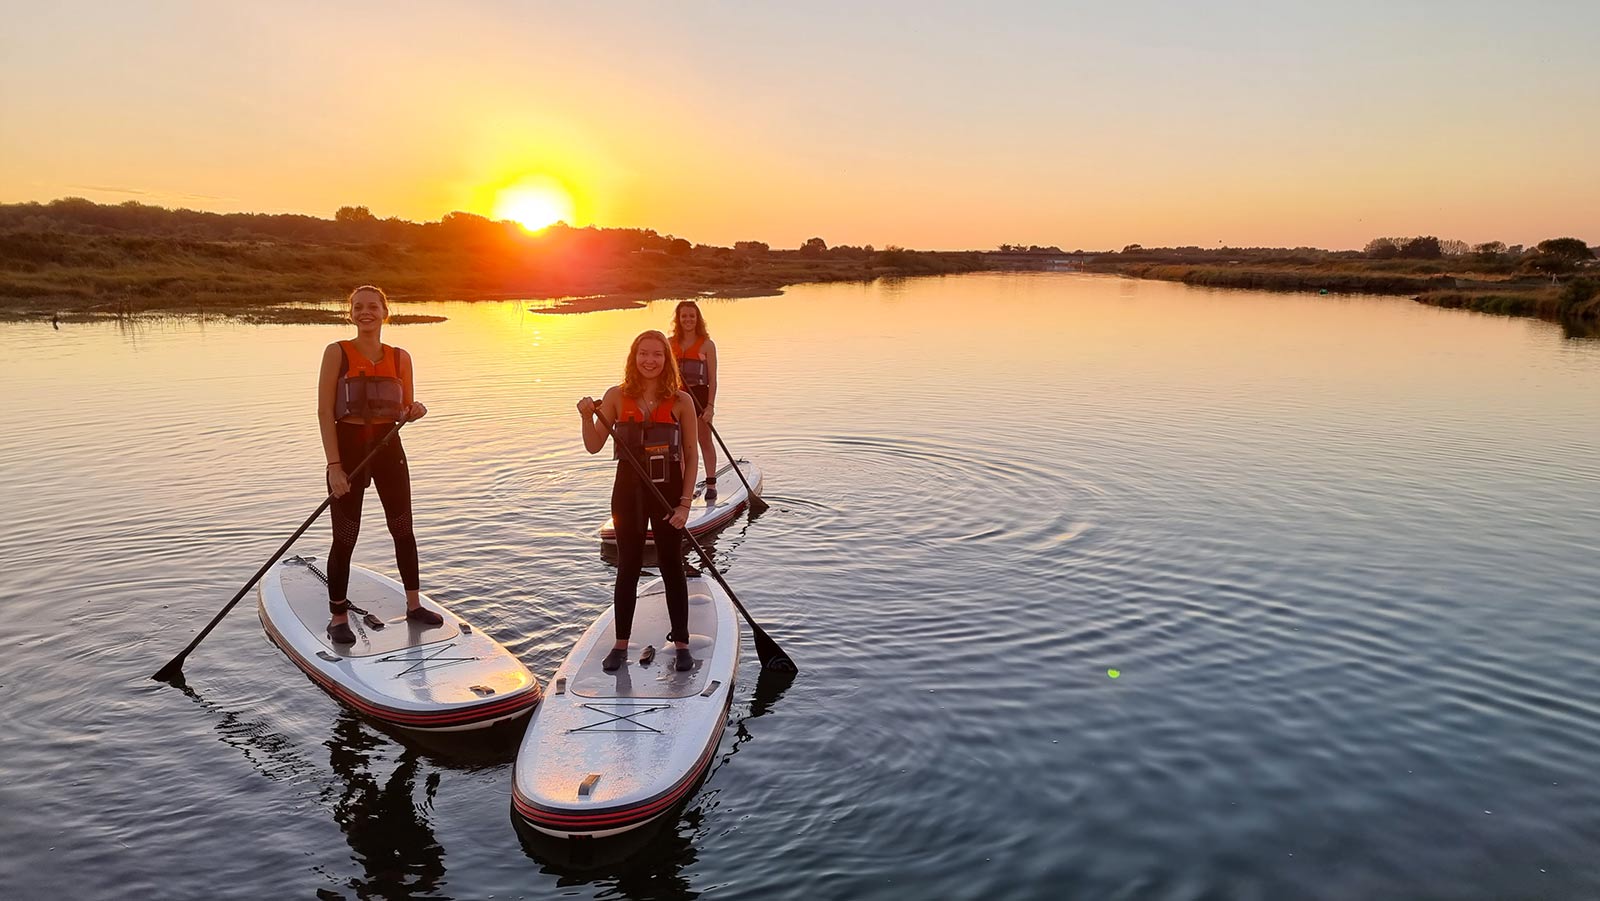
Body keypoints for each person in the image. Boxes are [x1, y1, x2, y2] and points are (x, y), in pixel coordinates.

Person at [317, 285, 436, 645]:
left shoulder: (401, 357)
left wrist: (414, 412)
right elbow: (324, 411)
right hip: (349, 449)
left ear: (385, 311)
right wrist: (334, 466)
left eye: (372, 307)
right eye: (357, 307)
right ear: (350, 313)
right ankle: (338, 616)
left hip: (388, 447)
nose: (364, 312)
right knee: (346, 537)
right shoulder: (337, 352)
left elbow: (405, 408)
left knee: (403, 528)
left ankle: (414, 605)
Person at [577, 330, 701, 672]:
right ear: (634, 358)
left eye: (657, 355)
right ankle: (620, 644)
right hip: (627, 492)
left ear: (666, 360)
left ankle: (682, 643)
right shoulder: (616, 396)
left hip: (668, 493)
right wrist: (586, 416)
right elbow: (592, 446)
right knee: (628, 567)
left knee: (671, 566)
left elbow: (691, 456)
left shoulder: (681, 401)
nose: (650, 361)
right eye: (643, 354)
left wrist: (685, 504)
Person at [668, 301, 719, 502]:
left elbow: (713, 379)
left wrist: (710, 407)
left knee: (704, 440)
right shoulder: (669, 343)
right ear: (678, 320)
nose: (688, 320)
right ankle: (683, 488)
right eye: (684, 316)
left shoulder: (707, 344)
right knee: (679, 446)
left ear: (697, 319)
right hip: (676, 400)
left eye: (692, 316)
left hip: (699, 398)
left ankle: (711, 483)